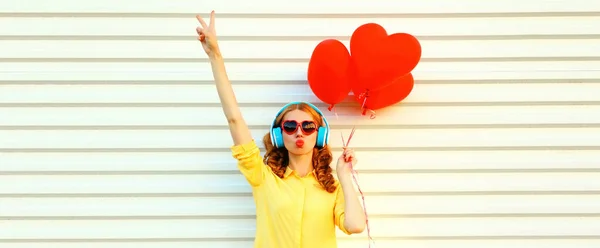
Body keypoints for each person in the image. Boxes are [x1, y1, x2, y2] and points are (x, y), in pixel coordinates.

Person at [196, 11, 367, 248]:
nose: (299, 132)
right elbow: (234, 118)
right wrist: (215, 56)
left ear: (319, 135)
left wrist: (345, 177)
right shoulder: (263, 177)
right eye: (290, 126)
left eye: (308, 126)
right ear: (279, 134)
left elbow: (356, 226)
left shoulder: (332, 186)